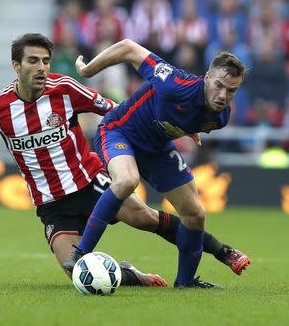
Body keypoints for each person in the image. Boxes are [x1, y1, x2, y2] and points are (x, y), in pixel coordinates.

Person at [0, 33, 249, 289]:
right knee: (76, 273)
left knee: (144, 217)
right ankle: (130, 275)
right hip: (51, 203)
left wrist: (169, 126)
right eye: (33, 61)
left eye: (46, 61)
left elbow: (115, 112)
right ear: (15, 66)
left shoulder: (66, 89)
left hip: (90, 179)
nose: (41, 68)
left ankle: (219, 251)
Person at [63, 38, 248, 288]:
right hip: (119, 131)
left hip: (157, 149)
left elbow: (184, 117)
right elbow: (129, 47)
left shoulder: (221, 117)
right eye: (219, 85)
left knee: (195, 214)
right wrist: (88, 70)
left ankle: (186, 283)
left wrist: (189, 130)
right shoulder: (174, 82)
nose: (223, 95)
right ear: (206, 78)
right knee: (127, 180)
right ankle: (80, 253)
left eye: (232, 90)